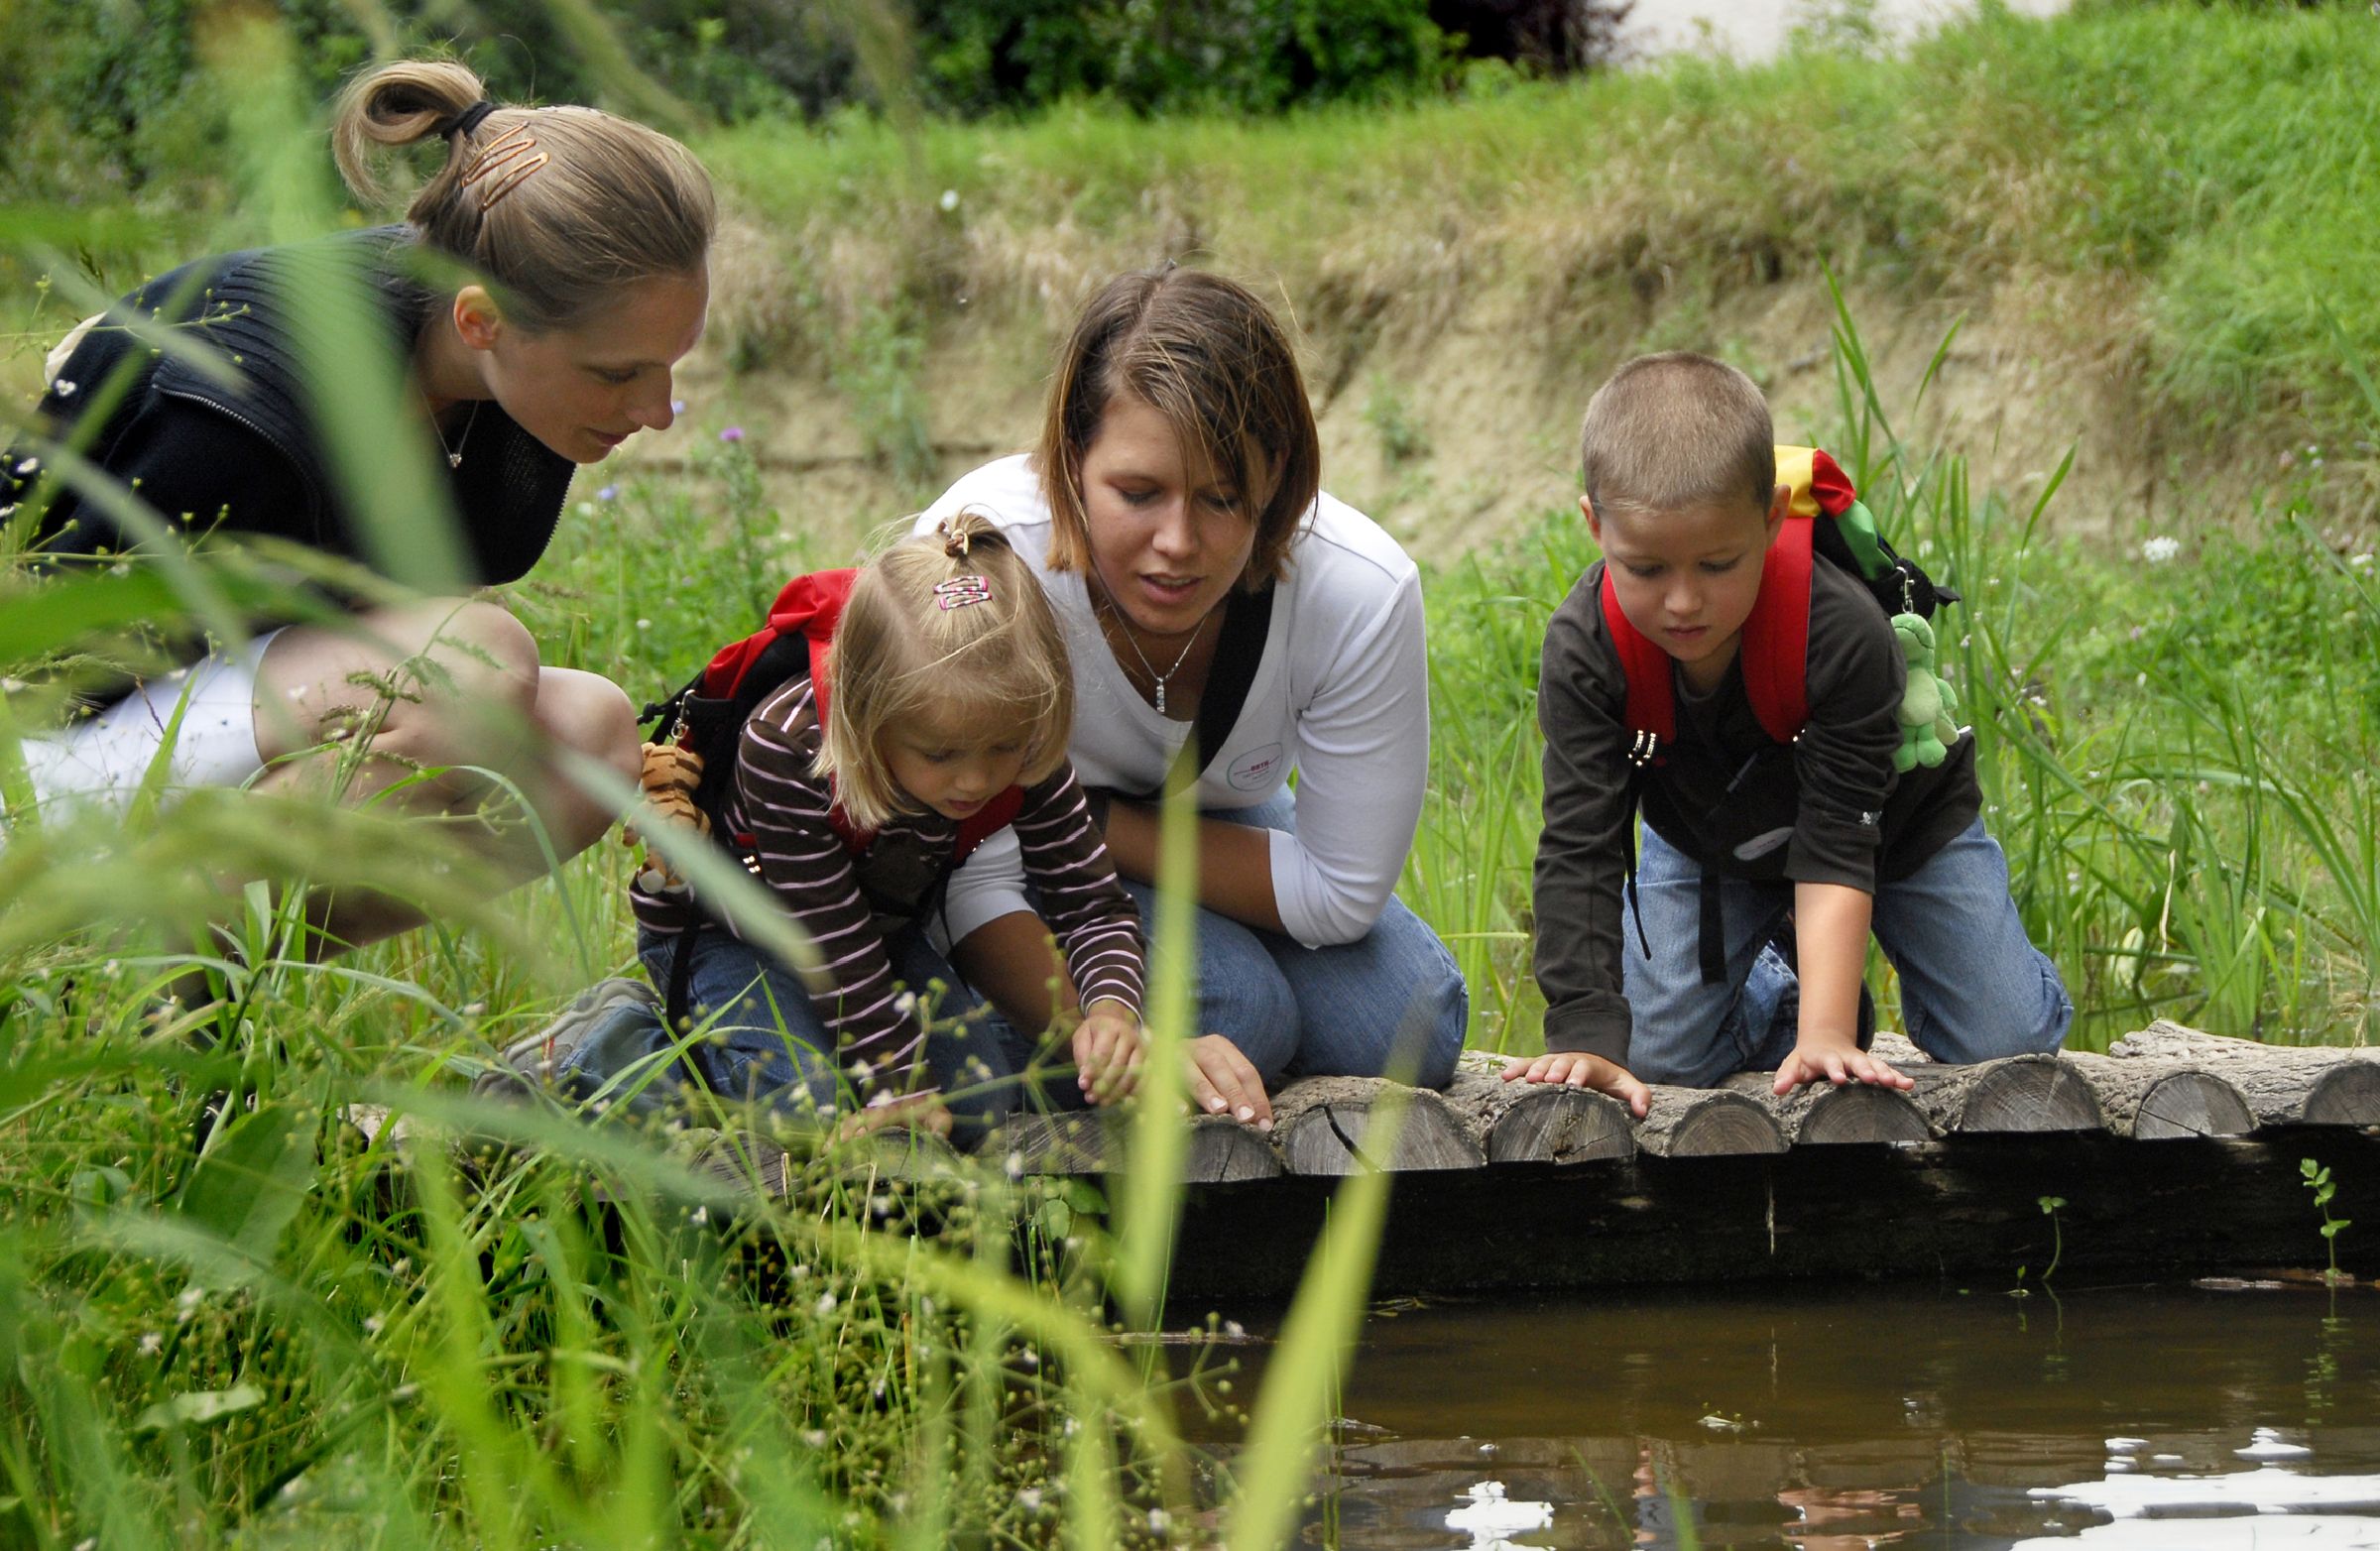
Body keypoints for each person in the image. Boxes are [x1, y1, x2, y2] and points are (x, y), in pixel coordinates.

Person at [2, 58, 714, 954]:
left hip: (188, 733)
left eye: (669, 364)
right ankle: (119, 974)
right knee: (478, 657)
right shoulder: (233, 407)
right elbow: (42, 664)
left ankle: (224, 1001)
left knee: (592, 739)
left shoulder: (484, 377)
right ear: (480, 321)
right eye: (619, 373)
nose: (657, 412)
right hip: (35, 760)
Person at [917, 266, 1469, 1132]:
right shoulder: (986, 562)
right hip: (998, 854)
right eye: (1138, 494)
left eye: (1221, 499)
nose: (1177, 545)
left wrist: (1097, 823)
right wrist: (1112, 1026)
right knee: (1241, 1009)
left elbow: (1342, 894)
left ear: (1276, 476)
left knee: (1412, 1024)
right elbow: (954, 852)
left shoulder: (1360, 591)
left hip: (1167, 819)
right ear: (1070, 459)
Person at [1510, 351, 2072, 1110]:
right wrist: (1582, 1032)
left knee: (2003, 1042)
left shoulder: (1840, 631)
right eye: (1644, 570)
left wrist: (1830, 1034)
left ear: (1772, 517)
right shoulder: (1585, 649)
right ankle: (1784, 985)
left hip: (1893, 824)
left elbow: (1840, 837)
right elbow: (1578, 845)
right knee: (1653, 1054)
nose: (1682, 602)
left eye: (1717, 563)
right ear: (1593, 525)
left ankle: (1891, 982)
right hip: (1713, 836)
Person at [617, 514, 1147, 1138]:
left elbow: (1089, 902)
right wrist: (897, 1086)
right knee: (805, 1105)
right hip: (731, 933)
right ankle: (622, 1048)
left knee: (978, 1108)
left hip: (874, 931)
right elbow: (829, 947)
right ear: (868, 714)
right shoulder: (788, 751)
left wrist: (1113, 1012)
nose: (975, 783)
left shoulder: (1024, 746)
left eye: (1000, 750)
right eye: (939, 755)